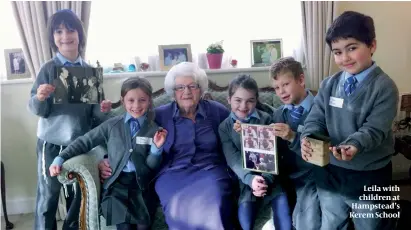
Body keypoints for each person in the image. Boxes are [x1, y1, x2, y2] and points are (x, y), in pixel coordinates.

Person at [100, 62, 236, 230]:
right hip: (172, 173)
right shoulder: (159, 115)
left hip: (211, 170)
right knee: (177, 204)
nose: (186, 92)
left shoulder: (216, 111)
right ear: (173, 91)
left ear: (200, 89)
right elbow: (128, 135)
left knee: (215, 199)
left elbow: (240, 120)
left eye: (192, 86)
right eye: (180, 87)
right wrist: (107, 158)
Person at [300, 11, 399, 230]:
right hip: (330, 173)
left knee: (371, 225)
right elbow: (315, 119)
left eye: (352, 48)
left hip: (370, 175)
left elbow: (374, 129)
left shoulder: (385, 87)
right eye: (337, 52)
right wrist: (307, 137)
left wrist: (354, 144)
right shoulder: (328, 84)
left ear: (372, 45)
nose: (344, 58)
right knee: (332, 223)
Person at [27, 9, 112, 230]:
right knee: (49, 194)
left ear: (79, 34)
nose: (65, 36)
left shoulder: (89, 71)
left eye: (70, 29)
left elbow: (96, 116)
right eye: (59, 31)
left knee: (79, 194)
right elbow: (37, 108)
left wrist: (103, 108)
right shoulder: (48, 69)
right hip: (51, 142)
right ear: (53, 38)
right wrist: (40, 97)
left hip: (78, 143)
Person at [49, 77, 168, 230]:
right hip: (116, 186)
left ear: (149, 101)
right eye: (131, 100)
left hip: (142, 186)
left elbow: (151, 166)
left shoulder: (154, 130)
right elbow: (85, 142)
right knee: (124, 226)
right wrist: (61, 157)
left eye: (142, 100)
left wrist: (156, 150)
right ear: (123, 101)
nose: (136, 105)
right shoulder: (112, 125)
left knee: (143, 226)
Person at [220, 74, 292, 230]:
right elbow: (233, 160)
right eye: (238, 100)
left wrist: (265, 179)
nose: (243, 106)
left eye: (250, 101)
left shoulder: (266, 119)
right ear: (229, 100)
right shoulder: (224, 127)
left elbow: (274, 155)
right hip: (246, 180)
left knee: (285, 222)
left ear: (256, 100)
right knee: (245, 223)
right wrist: (251, 180)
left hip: (271, 176)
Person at [269, 57, 321, 230]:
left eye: (285, 84)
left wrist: (292, 135)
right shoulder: (277, 114)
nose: (281, 91)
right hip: (285, 178)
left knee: (306, 223)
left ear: (301, 80)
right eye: (276, 87)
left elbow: (319, 152)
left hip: (312, 177)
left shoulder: (320, 111)